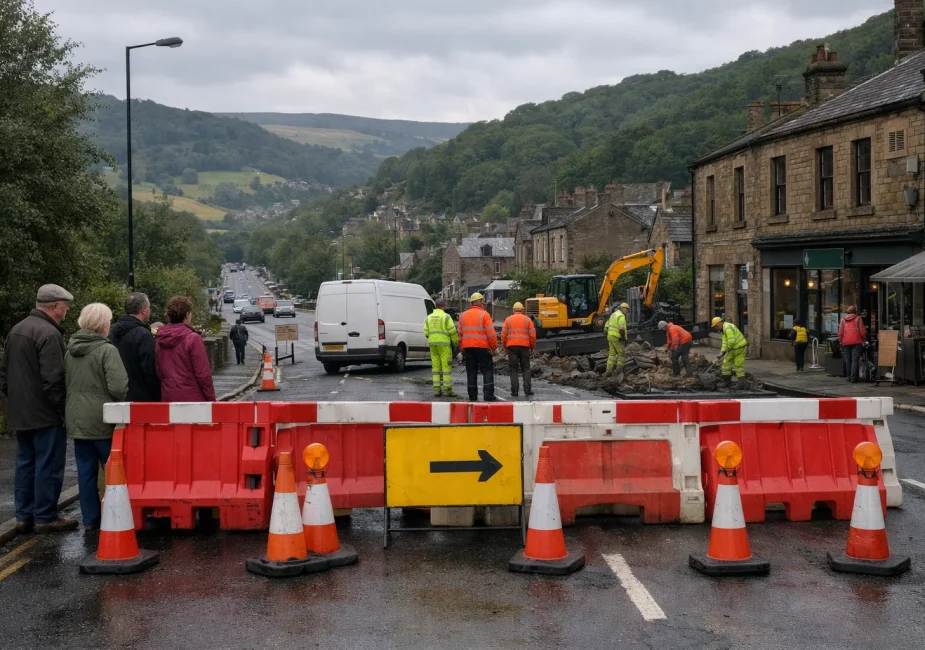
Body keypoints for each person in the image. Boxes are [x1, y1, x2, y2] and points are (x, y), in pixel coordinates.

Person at [0, 284, 78, 533]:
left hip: (20, 412)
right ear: (55, 306)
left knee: (25, 463)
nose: (66, 312)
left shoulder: (16, 330)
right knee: (48, 464)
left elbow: (4, 375)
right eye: (65, 307)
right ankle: (45, 516)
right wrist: (62, 410)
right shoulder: (49, 334)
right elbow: (54, 380)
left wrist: (14, 400)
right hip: (45, 414)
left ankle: (23, 516)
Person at [65, 303, 128, 530]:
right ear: (103, 324)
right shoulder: (107, 350)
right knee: (114, 472)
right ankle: (116, 518)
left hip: (77, 419)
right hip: (102, 419)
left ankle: (91, 520)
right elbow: (119, 387)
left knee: (85, 473)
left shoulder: (70, 350)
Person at [155, 296, 216, 402]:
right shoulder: (193, 338)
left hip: (168, 397)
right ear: (187, 314)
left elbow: (159, 372)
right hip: (192, 399)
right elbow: (203, 375)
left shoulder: (161, 338)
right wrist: (211, 400)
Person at [108, 292, 160, 402]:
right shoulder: (143, 335)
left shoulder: (112, 331)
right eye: (149, 307)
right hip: (141, 398)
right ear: (143, 309)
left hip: (118, 397)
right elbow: (149, 369)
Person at [458, 292, 498, 402]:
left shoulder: (463, 315)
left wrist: (462, 349)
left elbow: (460, 335)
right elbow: (491, 334)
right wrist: (494, 348)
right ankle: (488, 396)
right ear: (480, 302)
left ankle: (472, 396)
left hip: (468, 348)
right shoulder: (484, 315)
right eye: (482, 301)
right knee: (487, 371)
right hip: (482, 347)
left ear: (471, 302)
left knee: (471, 372)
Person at [423, 297, 459, 397]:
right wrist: (455, 343)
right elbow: (452, 332)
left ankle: (437, 389)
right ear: (443, 306)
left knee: (435, 368)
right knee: (446, 368)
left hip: (433, 345)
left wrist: (433, 338)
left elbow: (426, 332)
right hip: (444, 346)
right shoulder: (446, 317)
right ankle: (447, 390)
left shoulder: (428, 318)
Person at [501, 302, 537, 397]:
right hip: (524, 347)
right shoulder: (528, 320)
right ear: (522, 310)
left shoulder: (508, 320)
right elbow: (533, 336)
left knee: (513, 369)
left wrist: (505, 347)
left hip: (511, 347)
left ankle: (514, 391)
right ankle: (527, 390)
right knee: (526, 368)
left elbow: (503, 336)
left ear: (513, 310)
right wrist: (532, 347)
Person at [712, 316, 748, 389]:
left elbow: (731, 341)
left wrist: (726, 350)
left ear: (720, 323)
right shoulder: (723, 330)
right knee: (725, 364)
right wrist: (721, 352)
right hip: (732, 349)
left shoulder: (728, 328)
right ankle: (726, 382)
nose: (716, 328)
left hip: (740, 348)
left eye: (717, 326)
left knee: (738, 366)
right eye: (715, 327)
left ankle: (741, 384)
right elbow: (725, 342)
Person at [839, 306, 867, 382]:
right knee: (855, 360)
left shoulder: (843, 320)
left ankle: (848, 376)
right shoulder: (858, 319)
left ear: (848, 312)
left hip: (846, 342)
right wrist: (864, 338)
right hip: (857, 342)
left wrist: (840, 340)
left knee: (848, 360)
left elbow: (840, 332)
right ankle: (853, 377)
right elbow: (862, 331)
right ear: (855, 311)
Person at [605, 302, 629, 374]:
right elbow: (621, 329)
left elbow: (606, 326)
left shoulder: (613, 314)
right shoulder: (621, 316)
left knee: (612, 355)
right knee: (621, 354)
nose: (627, 312)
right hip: (617, 337)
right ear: (623, 308)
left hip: (610, 336)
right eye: (627, 310)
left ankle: (608, 372)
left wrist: (609, 334)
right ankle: (618, 371)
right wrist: (623, 337)